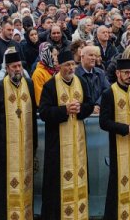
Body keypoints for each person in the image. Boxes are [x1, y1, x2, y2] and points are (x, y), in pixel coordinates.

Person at [39, 46, 92, 220]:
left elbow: (90, 104)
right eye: (67, 65)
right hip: (57, 148)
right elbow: (44, 112)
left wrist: (80, 109)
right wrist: (65, 110)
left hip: (78, 145)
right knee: (56, 188)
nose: (71, 68)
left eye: (72, 64)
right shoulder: (50, 85)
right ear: (59, 66)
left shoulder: (81, 82)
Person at [0, 47, 34, 220]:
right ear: (7, 68)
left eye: (19, 66)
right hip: (4, 150)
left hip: (26, 148)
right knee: (4, 188)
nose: (17, 69)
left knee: (25, 185)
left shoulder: (28, 84)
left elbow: (33, 116)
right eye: (14, 66)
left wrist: (34, 146)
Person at [99, 57, 130, 220]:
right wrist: (125, 128)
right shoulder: (109, 93)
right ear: (118, 73)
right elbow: (104, 122)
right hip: (118, 148)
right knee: (117, 185)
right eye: (126, 72)